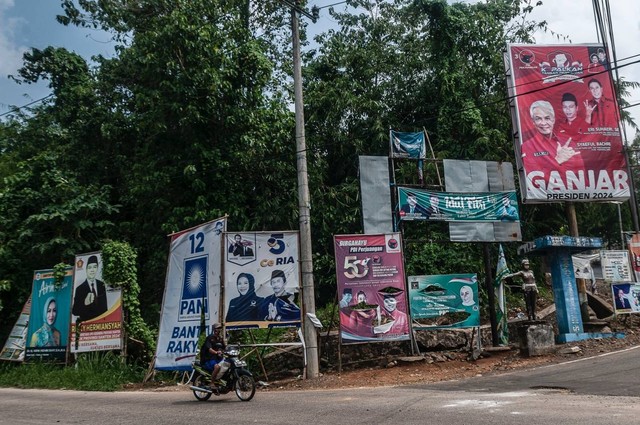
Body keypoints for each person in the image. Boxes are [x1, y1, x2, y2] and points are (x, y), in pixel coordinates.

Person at [521, 100, 583, 175]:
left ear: (553, 119)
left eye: (547, 118)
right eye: (538, 119)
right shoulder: (527, 147)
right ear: (533, 122)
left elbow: (582, 175)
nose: (543, 123)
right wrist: (557, 160)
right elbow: (533, 179)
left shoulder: (569, 144)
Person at [72, 255, 108, 322]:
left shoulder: (101, 285)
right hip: (87, 325)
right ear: (86, 269)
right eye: (89, 267)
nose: (92, 270)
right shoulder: (80, 289)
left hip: (101, 324)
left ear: (97, 268)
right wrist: (85, 303)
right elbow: (75, 311)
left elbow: (105, 307)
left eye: (94, 267)